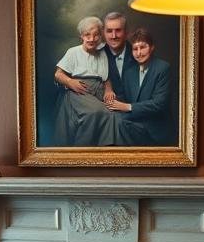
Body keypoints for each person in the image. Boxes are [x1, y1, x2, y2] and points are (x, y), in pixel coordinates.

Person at [53, 15, 118, 146]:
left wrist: (109, 89)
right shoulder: (73, 52)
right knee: (96, 112)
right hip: (80, 91)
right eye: (87, 35)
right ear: (81, 36)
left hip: (98, 92)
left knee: (114, 114)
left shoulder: (103, 54)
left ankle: (102, 152)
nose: (92, 39)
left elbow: (105, 78)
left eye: (96, 35)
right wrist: (70, 82)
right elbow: (58, 74)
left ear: (100, 36)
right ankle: (83, 150)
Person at [106, 27, 173, 146]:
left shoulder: (163, 68)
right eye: (135, 49)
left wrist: (127, 106)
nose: (139, 53)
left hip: (155, 129)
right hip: (134, 123)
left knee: (118, 124)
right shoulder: (129, 72)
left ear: (152, 48)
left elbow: (159, 104)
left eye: (143, 47)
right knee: (110, 120)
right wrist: (111, 101)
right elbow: (125, 97)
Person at [100, 11, 137, 102]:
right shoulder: (96, 55)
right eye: (109, 31)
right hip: (106, 111)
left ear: (126, 32)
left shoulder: (139, 54)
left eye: (118, 30)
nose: (113, 36)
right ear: (103, 33)